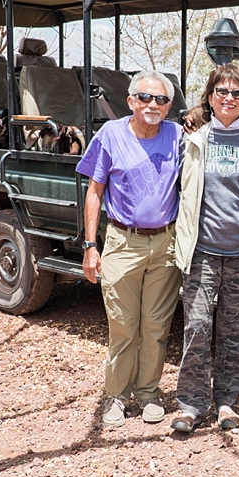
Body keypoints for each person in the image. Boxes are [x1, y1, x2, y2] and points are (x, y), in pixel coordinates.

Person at [170, 64, 239, 433]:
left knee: (235, 333)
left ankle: (227, 402)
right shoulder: (193, 141)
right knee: (197, 328)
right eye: (222, 91)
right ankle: (190, 404)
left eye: (237, 93)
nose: (229, 98)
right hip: (200, 252)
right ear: (210, 96)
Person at [76, 70, 182, 429]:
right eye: (146, 98)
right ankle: (117, 396)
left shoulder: (177, 136)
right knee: (123, 326)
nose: (153, 105)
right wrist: (91, 246)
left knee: (156, 326)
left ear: (169, 106)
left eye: (161, 99)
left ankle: (149, 393)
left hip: (166, 243)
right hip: (122, 242)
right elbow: (94, 191)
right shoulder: (111, 134)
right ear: (131, 100)